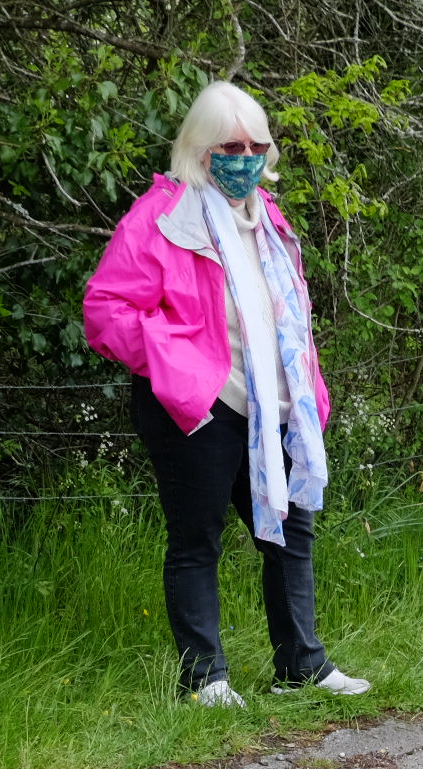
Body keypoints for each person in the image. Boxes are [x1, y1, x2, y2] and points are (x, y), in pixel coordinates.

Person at [84, 81, 368, 708]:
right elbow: (105, 311)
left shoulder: (267, 217)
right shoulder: (161, 218)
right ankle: (204, 679)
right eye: (230, 147)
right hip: (196, 407)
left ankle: (301, 665)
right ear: (199, 148)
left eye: (255, 147)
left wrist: (309, 392)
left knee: (291, 534)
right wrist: (176, 362)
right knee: (197, 541)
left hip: (274, 407)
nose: (245, 159)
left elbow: (285, 315)